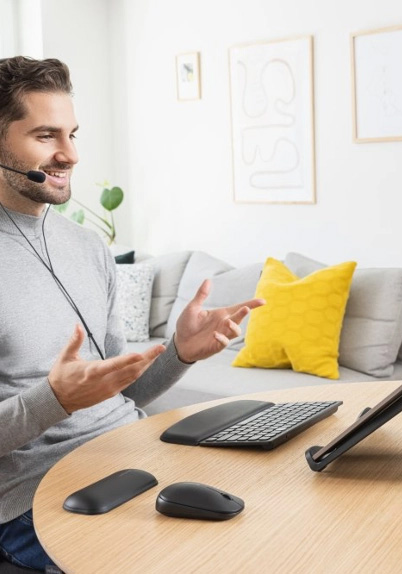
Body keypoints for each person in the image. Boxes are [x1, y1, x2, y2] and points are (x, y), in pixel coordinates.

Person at [0, 55, 264, 572]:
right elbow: (63, 401)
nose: (70, 154)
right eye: (46, 135)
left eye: (73, 134)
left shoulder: (86, 246)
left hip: (139, 456)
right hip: (40, 496)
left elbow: (118, 394)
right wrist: (52, 400)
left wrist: (179, 354)